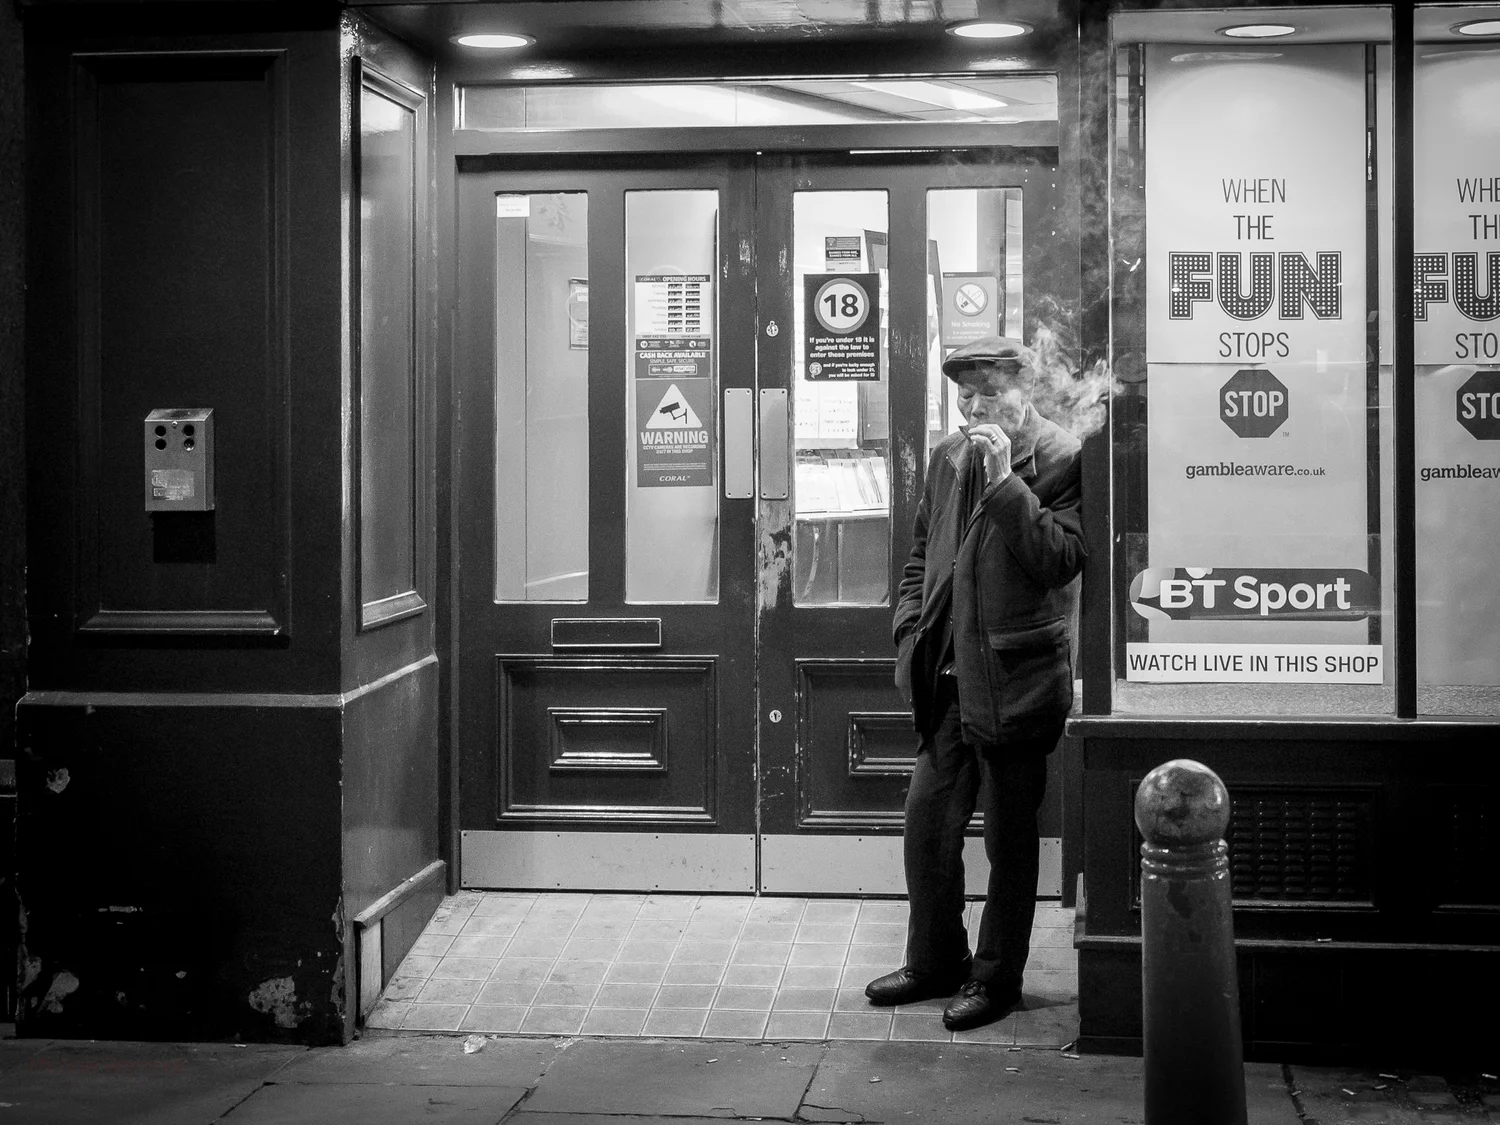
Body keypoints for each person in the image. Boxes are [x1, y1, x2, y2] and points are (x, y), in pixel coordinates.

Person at [865, 334, 1085, 1031]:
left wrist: (1002, 480)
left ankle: (996, 979)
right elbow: (922, 554)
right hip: (949, 679)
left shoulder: (1061, 458)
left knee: (1008, 841)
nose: (973, 406)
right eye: (964, 392)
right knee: (928, 824)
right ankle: (934, 959)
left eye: (988, 391)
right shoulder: (946, 457)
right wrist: (909, 634)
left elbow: (1058, 558)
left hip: (1017, 678)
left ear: (1025, 390)